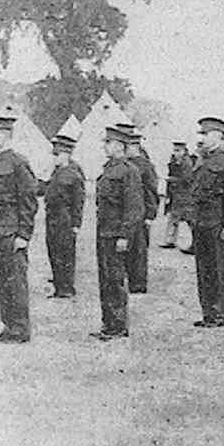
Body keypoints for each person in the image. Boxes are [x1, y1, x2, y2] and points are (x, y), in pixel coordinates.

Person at [0, 116, 38, 343]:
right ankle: (8, 326)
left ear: (5, 135)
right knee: (0, 281)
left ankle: (20, 329)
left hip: (12, 232)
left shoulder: (17, 162)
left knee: (15, 282)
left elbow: (28, 201)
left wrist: (24, 235)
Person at [90, 127, 143, 341]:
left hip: (116, 234)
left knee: (115, 279)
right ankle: (109, 324)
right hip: (104, 231)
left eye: (109, 142)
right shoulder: (109, 169)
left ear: (120, 145)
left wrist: (124, 235)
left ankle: (118, 326)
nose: (105, 146)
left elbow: (133, 207)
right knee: (106, 280)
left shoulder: (128, 171)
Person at [191, 117, 224, 328]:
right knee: (204, 270)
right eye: (202, 134)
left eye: (207, 134)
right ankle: (208, 313)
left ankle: (219, 313)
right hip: (201, 224)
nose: (203, 139)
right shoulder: (202, 160)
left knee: (219, 269)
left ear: (219, 137)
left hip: (217, 225)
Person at [43, 133, 85, 298]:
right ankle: (58, 284)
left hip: (64, 217)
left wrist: (76, 223)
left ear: (66, 155)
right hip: (52, 217)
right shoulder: (56, 172)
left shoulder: (74, 174)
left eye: (57, 155)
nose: (54, 158)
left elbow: (78, 201)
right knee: (53, 251)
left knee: (65, 253)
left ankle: (66, 288)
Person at [119, 125, 158, 293]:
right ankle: (129, 278)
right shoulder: (124, 165)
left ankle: (138, 283)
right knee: (127, 249)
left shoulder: (144, 165)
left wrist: (150, 215)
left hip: (140, 214)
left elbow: (151, 191)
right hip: (126, 213)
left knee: (138, 250)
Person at [161, 141, 195, 249]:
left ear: (184, 151)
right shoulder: (174, 161)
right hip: (175, 194)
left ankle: (196, 242)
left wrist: (171, 179)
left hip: (185, 195)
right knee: (173, 217)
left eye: (178, 151)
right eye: (174, 150)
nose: (176, 153)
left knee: (190, 219)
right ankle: (170, 240)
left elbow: (187, 179)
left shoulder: (187, 163)